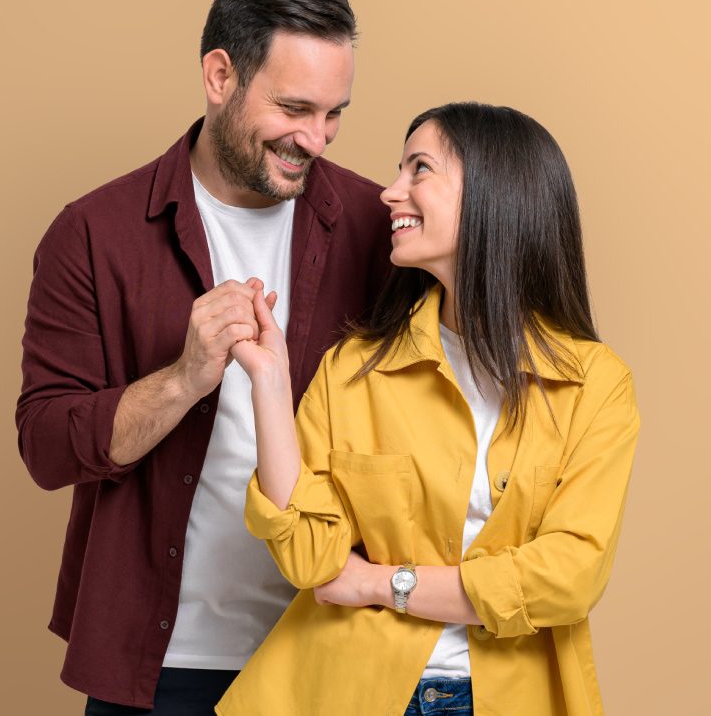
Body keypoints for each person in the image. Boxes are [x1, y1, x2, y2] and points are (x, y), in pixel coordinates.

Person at [15, 0, 392, 714]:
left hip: (333, 655)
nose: (313, 139)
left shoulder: (376, 227)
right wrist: (184, 377)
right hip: (161, 666)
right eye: (293, 108)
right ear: (219, 75)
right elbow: (48, 448)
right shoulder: (94, 234)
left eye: (333, 114)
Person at [218, 102, 641, 716]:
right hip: (349, 693)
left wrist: (380, 582)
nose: (391, 193)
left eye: (420, 170)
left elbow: (569, 576)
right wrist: (270, 383)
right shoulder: (354, 368)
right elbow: (311, 558)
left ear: (498, 196)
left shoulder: (595, 386)